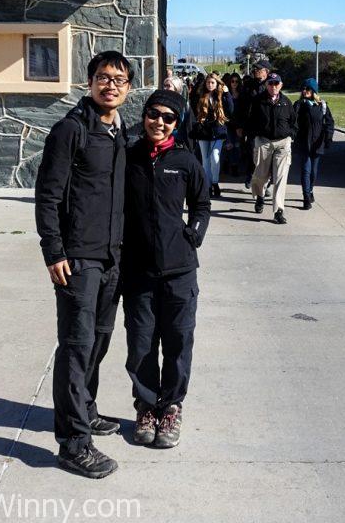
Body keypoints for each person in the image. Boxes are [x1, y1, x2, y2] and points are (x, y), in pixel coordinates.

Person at [35, 50, 133, 480]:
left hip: (113, 257)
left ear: (128, 88)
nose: (110, 84)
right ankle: (73, 444)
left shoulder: (120, 132)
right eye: (102, 77)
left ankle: (85, 410)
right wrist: (54, 251)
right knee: (76, 346)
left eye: (119, 79)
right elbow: (48, 196)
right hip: (77, 259)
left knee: (99, 341)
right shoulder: (69, 130)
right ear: (89, 82)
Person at [123, 89, 210, 448]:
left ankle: (170, 407)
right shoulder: (128, 157)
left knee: (177, 342)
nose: (159, 122)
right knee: (141, 342)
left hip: (179, 271)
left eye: (168, 117)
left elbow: (202, 204)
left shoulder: (186, 161)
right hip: (139, 270)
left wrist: (193, 236)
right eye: (153, 114)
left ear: (177, 123)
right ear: (144, 115)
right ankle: (146, 406)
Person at [248, 72, 296, 224]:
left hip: (283, 143)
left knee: (281, 177)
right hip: (264, 141)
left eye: (276, 84)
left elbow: (294, 123)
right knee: (260, 176)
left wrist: (291, 135)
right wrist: (255, 135)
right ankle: (260, 196)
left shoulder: (286, 102)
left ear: (281, 85)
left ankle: (278, 210)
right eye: (271, 83)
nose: (274, 86)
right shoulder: (258, 101)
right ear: (266, 85)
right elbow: (250, 120)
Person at [293, 77, 335, 210]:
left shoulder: (322, 106)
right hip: (303, 143)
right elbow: (292, 121)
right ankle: (306, 198)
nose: (305, 91)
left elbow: (329, 123)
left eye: (308, 89)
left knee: (313, 172)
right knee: (306, 170)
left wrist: (328, 138)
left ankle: (310, 190)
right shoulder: (298, 105)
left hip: (317, 143)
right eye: (303, 88)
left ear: (314, 91)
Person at [193, 73, 233, 198]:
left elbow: (230, 110)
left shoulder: (221, 96)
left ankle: (215, 182)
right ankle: (208, 185)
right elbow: (194, 110)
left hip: (218, 131)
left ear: (217, 84)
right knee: (205, 160)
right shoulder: (200, 95)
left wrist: (227, 94)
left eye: (212, 82)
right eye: (208, 82)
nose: (210, 85)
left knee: (215, 158)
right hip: (203, 131)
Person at [236, 60, 271, 188]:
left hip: (266, 127)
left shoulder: (271, 85)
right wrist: (239, 125)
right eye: (255, 69)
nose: (256, 71)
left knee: (266, 157)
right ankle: (250, 175)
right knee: (251, 152)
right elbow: (240, 106)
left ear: (266, 72)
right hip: (250, 126)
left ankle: (266, 183)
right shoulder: (248, 85)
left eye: (259, 69)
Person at [163, 74, 196, 152]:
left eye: (168, 86)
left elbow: (189, 127)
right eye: (164, 85)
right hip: (164, 142)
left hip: (179, 144)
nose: (165, 88)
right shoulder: (161, 103)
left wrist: (190, 148)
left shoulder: (184, 105)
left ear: (176, 88)